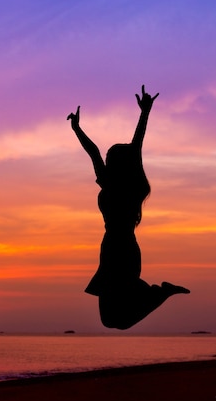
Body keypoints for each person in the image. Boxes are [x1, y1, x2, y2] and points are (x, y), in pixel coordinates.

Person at [67, 85, 190, 330]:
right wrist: (77, 129)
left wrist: (145, 113)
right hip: (119, 248)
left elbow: (122, 148)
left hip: (117, 247)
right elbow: (102, 151)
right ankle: (160, 294)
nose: (106, 160)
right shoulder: (124, 186)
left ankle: (160, 293)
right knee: (113, 319)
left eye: (110, 158)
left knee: (113, 319)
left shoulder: (118, 187)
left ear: (116, 165)